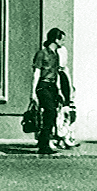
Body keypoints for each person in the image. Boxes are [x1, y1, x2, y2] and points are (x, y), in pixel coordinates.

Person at [30, 27, 70, 156]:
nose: (63, 42)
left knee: (52, 114)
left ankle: (44, 142)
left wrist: (59, 90)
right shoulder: (42, 54)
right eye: (62, 40)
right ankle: (44, 144)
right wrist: (33, 92)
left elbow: (56, 74)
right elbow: (36, 73)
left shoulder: (56, 54)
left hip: (52, 86)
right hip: (43, 85)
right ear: (55, 40)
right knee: (50, 111)